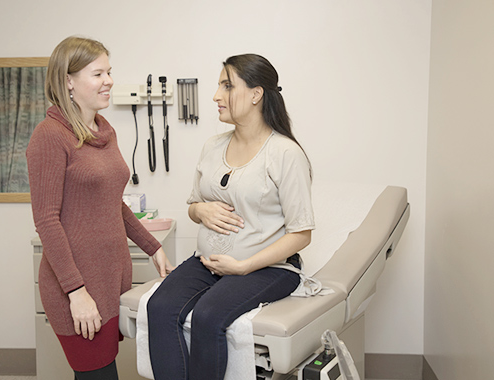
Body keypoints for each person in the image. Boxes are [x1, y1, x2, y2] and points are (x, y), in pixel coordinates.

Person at [147, 54, 315, 380]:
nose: (215, 96)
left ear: (256, 94)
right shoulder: (212, 146)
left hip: (268, 269)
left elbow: (302, 233)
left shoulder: (284, 154)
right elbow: (193, 206)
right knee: (159, 307)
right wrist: (201, 210)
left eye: (227, 86)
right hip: (209, 263)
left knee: (209, 315)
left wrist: (243, 266)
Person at [26, 36, 173, 380]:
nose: (109, 81)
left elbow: (113, 204)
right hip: (77, 285)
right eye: (98, 74)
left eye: (109, 72)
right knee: (97, 374)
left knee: (106, 371)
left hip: (110, 278)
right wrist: (76, 293)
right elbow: (46, 221)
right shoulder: (50, 136)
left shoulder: (103, 131)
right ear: (68, 81)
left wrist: (154, 247)